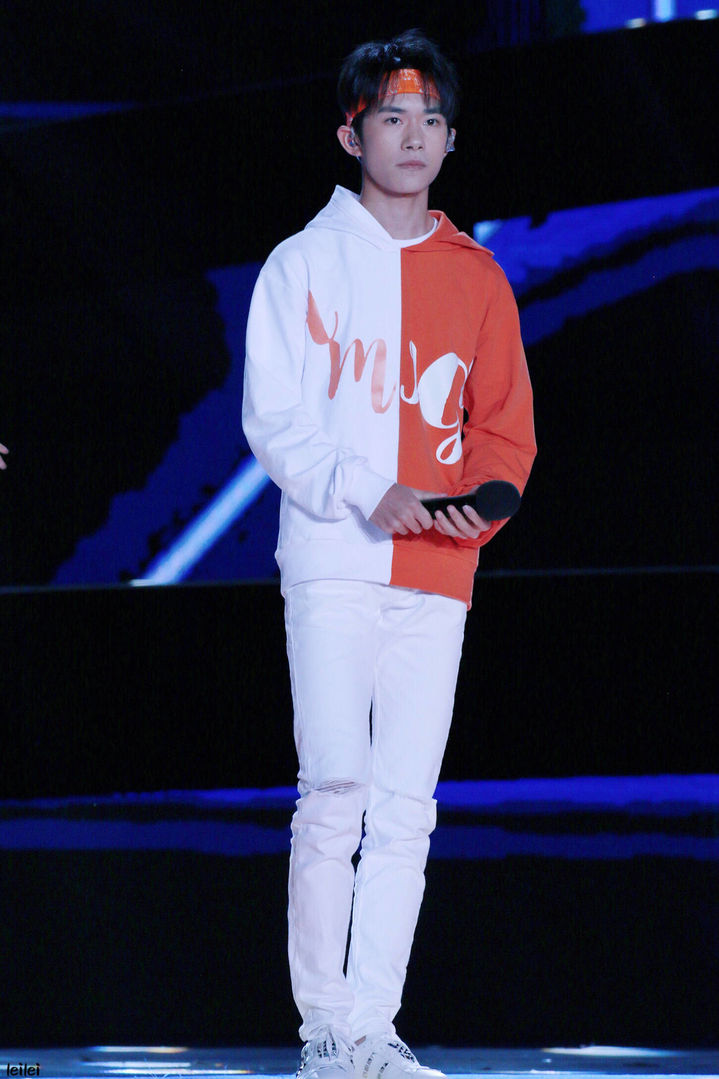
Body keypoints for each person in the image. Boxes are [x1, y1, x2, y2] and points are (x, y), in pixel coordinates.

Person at [242, 29, 536, 1079]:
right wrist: (373, 491)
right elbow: (274, 420)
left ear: (451, 140)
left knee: (408, 804)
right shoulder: (301, 263)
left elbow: (503, 429)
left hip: (437, 573)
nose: (412, 137)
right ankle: (325, 1028)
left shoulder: (478, 276)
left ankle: (372, 1028)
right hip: (334, 556)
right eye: (391, 118)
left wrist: (478, 509)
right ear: (350, 134)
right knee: (334, 788)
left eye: (430, 120)